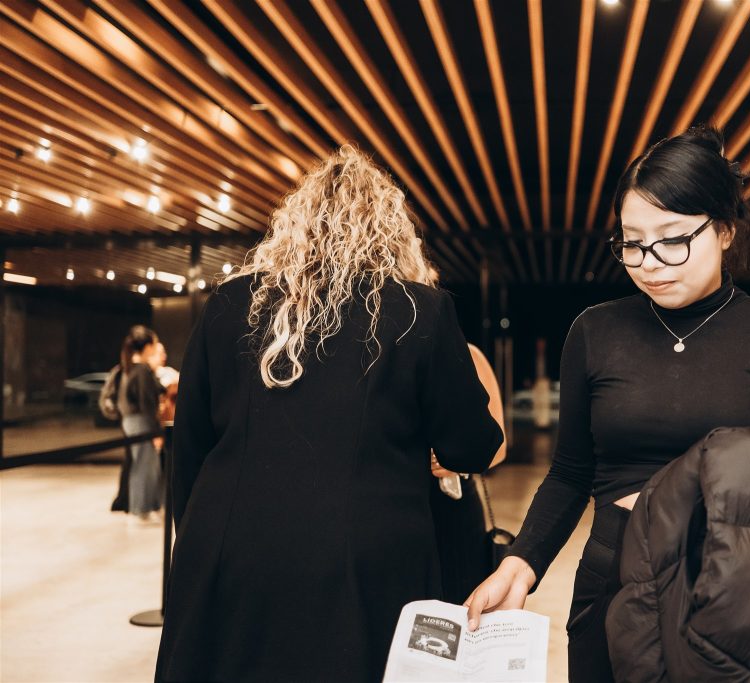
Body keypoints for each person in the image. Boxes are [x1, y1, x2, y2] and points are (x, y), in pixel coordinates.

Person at [464, 126, 750, 682]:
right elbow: (570, 474)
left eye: (672, 239)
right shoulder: (595, 332)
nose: (649, 262)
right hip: (612, 586)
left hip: (741, 598)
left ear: (725, 230)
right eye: (631, 243)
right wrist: (520, 562)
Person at [155, 145, 503, 682]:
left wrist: (204, 537)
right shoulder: (418, 310)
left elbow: (190, 448)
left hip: (227, 557)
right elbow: (474, 446)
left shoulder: (228, 304)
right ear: (391, 232)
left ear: (294, 225)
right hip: (363, 565)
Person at [429, 342, 508, 604]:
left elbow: (499, 448)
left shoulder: (469, 354)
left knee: (460, 600)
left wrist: (458, 462)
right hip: (403, 506)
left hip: (455, 504)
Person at [116, 325, 164, 522]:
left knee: (140, 464)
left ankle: (140, 508)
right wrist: (156, 431)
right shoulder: (141, 369)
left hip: (130, 421)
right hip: (140, 421)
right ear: (147, 346)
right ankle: (142, 508)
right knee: (145, 465)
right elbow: (147, 403)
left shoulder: (128, 367)